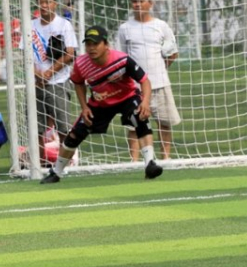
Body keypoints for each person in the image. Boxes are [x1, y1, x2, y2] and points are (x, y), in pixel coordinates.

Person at [41, 26, 163, 184]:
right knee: (74, 135)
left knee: (139, 116)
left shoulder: (122, 60)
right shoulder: (81, 63)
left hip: (126, 97)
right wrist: (84, 107)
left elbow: (144, 81)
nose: (91, 48)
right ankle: (56, 172)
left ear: (106, 44)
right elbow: (78, 83)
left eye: (95, 44)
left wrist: (145, 102)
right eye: (88, 44)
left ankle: (150, 164)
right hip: (100, 103)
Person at [117, 0, 181, 161]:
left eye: (141, 1)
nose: (137, 5)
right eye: (134, 2)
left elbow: (173, 52)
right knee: (134, 125)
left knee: (164, 123)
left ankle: (165, 158)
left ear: (150, 3)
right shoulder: (125, 28)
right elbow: (121, 57)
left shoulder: (161, 26)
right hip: (135, 86)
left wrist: (160, 67)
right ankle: (135, 161)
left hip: (160, 83)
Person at [30, 0, 78, 166]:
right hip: (36, 83)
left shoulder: (64, 25)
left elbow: (70, 54)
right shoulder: (31, 25)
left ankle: (67, 161)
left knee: (63, 125)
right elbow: (24, 55)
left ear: (54, 3)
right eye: (41, 2)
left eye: (48, 2)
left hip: (58, 82)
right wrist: (36, 75)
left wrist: (49, 73)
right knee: (36, 127)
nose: (44, 6)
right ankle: (40, 162)